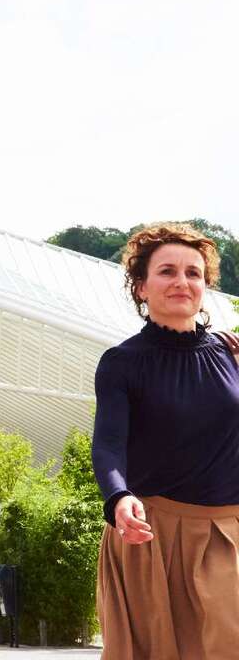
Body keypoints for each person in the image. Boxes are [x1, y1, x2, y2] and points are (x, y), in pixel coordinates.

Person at [92, 222, 239, 659]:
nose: (182, 282)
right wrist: (118, 497)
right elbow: (108, 444)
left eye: (193, 273)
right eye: (167, 271)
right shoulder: (122, 363)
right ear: (141, 287)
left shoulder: (232, 356)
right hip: (152, 534)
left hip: (227, 533)